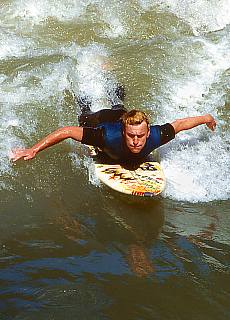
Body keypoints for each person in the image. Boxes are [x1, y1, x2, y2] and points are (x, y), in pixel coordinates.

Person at [10, 87, 217, 164]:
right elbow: (67, 131)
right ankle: (80, 93)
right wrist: (33, 149)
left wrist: (206, 117)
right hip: (104, 119)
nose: (136, 141)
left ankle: (116, 91)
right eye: (131, 136)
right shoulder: (106, 136)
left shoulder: (155, 135)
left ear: (147, 133)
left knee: (121, 107)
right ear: (124, 132)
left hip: (123, 116)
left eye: (140, 136)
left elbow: (180, 124)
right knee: (85, 115)